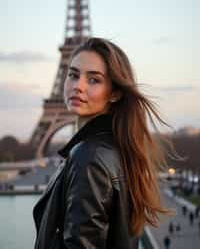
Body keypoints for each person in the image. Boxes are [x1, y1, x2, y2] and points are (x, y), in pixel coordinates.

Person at [33, 37, 172, 249]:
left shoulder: (89, 158)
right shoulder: (114, 148)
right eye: (73, 75)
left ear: (115, 93)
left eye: (93, 80)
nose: (78, 86)